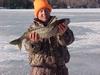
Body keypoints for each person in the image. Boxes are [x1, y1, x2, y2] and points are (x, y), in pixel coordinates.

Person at [24, 0, 75, 75]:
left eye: (46, 10)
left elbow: (70, 40)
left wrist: (62, 34)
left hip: (60, 69)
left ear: (49, 11)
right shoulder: (32, 29)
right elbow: (28, 48)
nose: (44, 13)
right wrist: (34, 42)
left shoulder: (60, 25)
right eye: (41, 11)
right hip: (39, 70)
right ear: (37, 14)